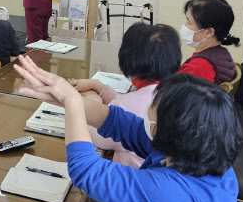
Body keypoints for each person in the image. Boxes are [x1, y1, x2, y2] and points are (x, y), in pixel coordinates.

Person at [14, 58, 243, 202]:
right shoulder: (198, 150)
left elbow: (85, 170)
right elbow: (119, 122)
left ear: (159, 128)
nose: (148, 106)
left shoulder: (169, 195)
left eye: (154, 103)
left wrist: (73, 102)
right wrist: (65, 98)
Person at [66, 23, 182, 168]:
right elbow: (129, 104)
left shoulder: (127, 105)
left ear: (129, 59)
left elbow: (95, 135)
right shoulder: (177, 92)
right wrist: (97, 86)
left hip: (133, 183)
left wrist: (91, 97)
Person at [179, 0, 241, 84]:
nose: (184, 25)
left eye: (189, 22)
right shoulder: (221, 53)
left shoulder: (198, 67)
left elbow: (173, 96)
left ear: (209, 32)